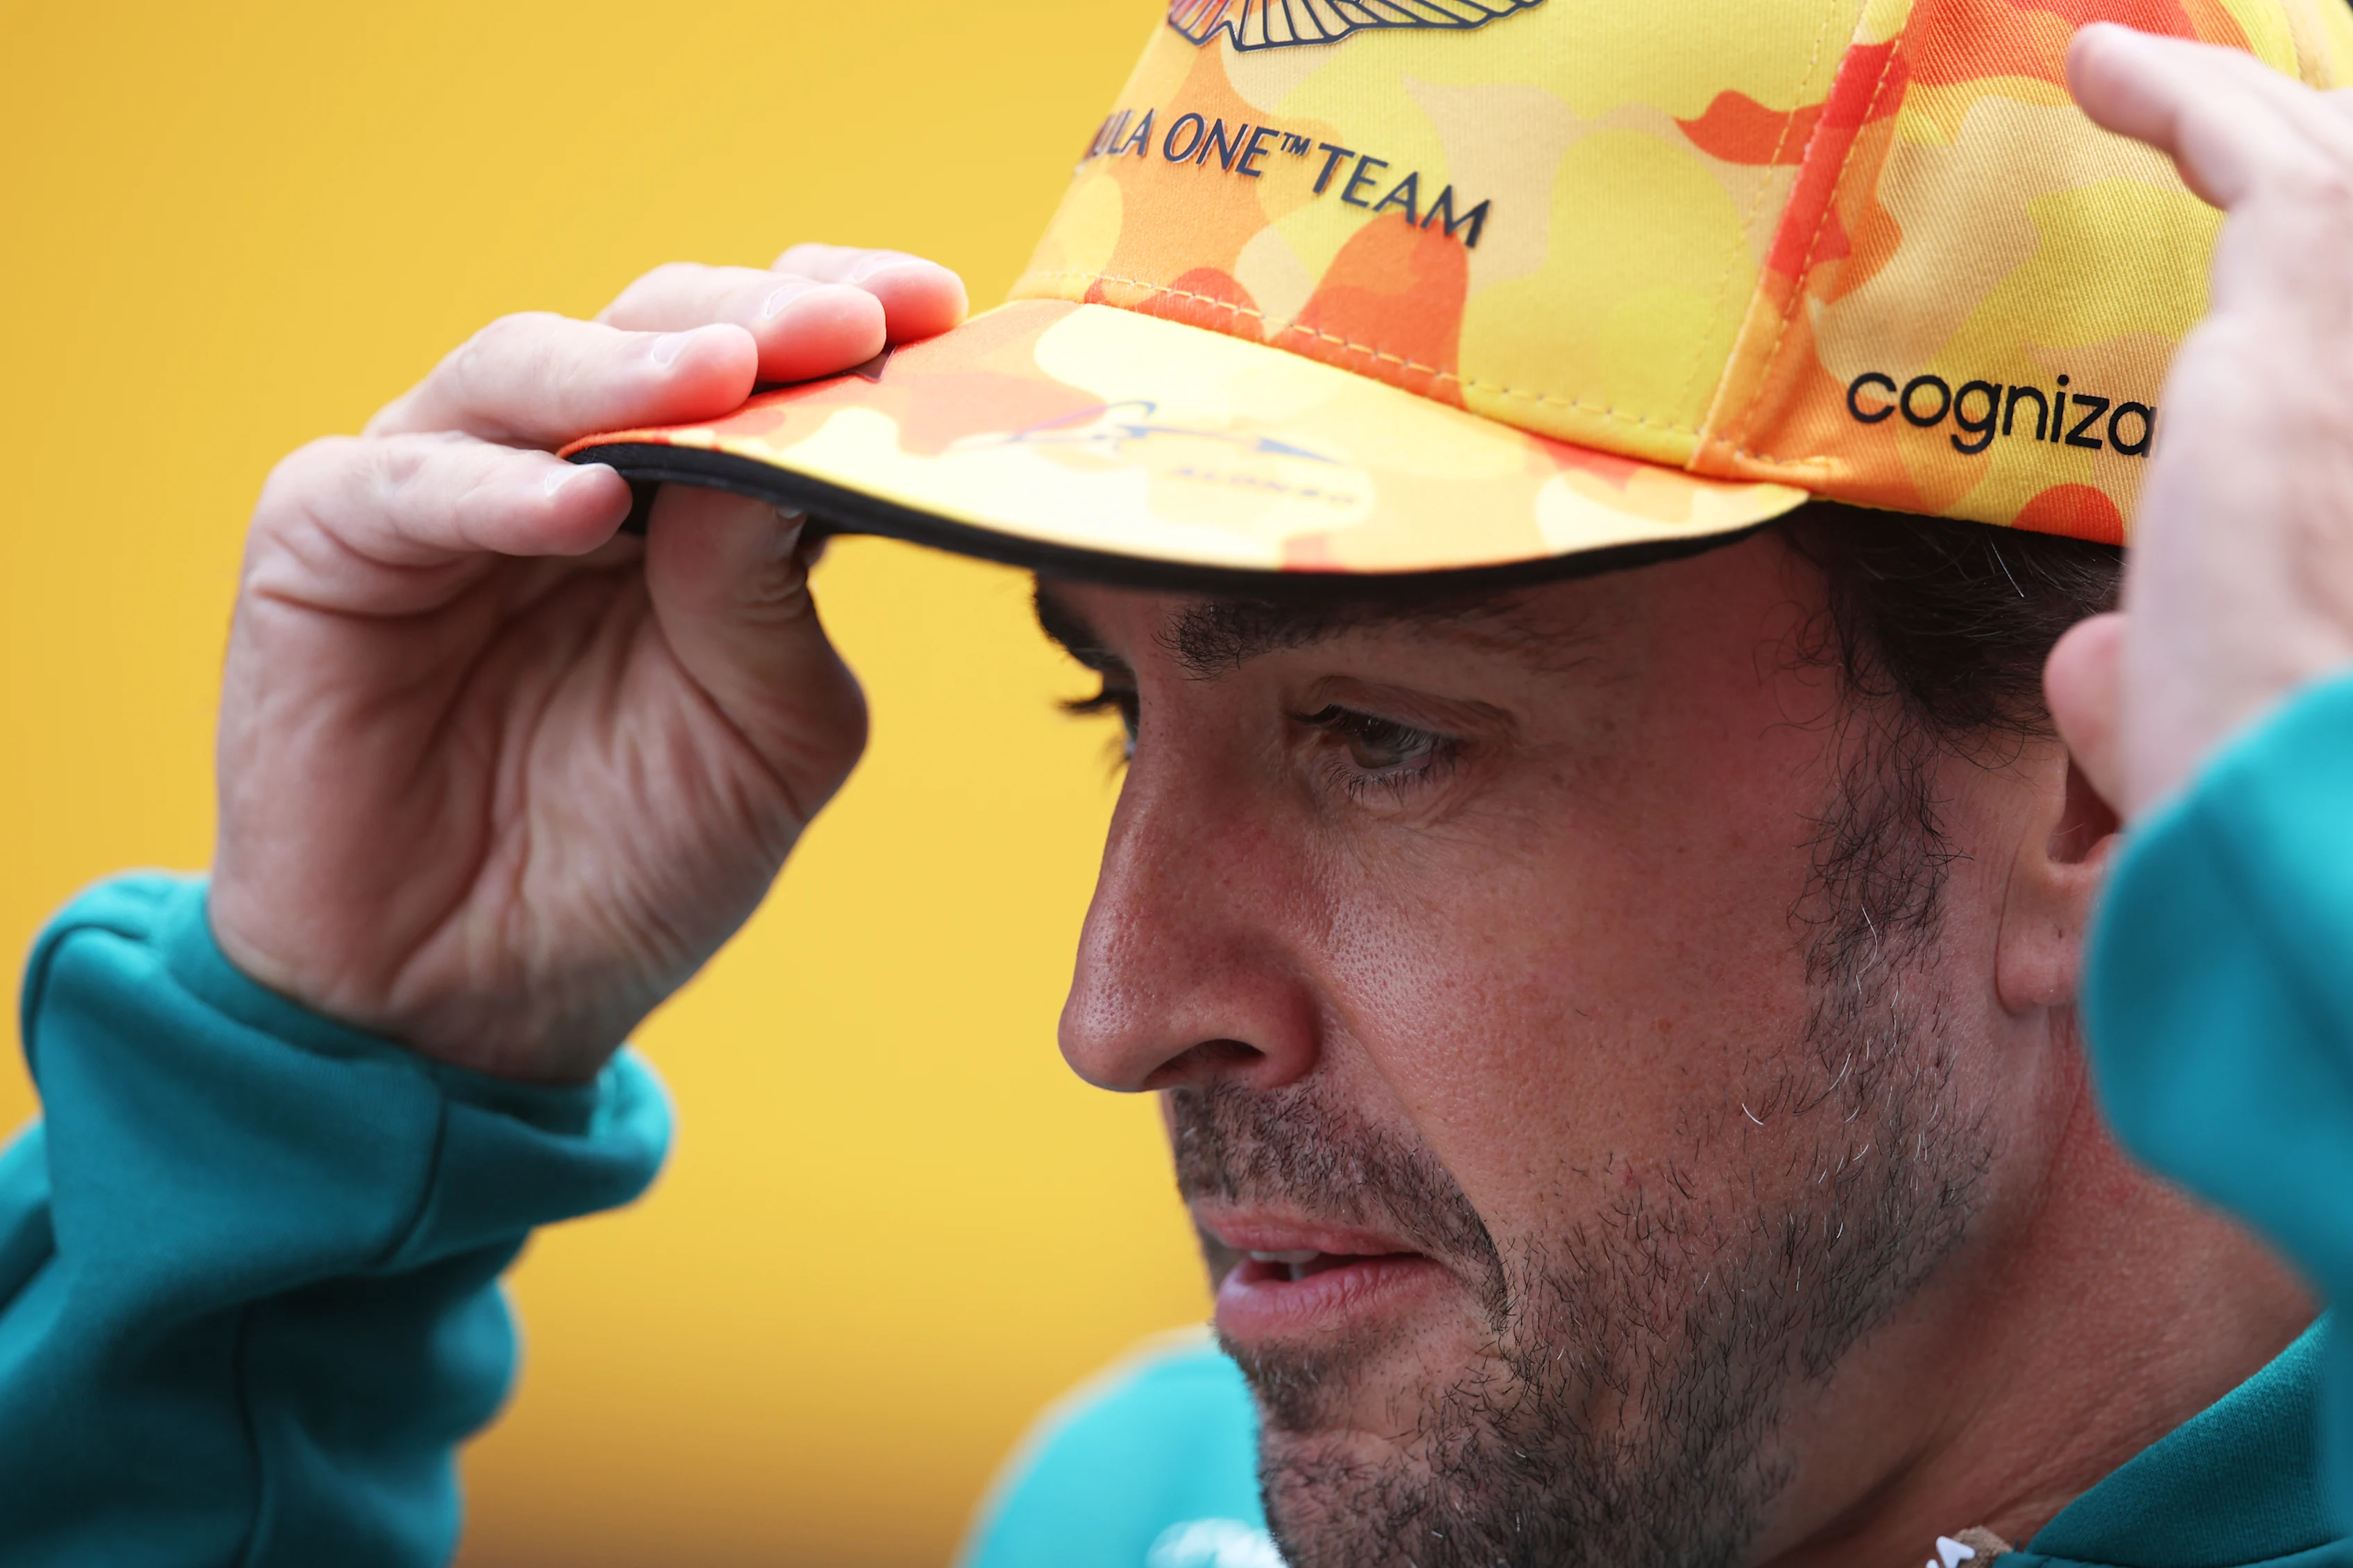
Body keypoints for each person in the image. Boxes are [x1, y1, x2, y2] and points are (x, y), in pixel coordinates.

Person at [4, 7, 2353, 1567]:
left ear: (2103, 770)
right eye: (1115, 706)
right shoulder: (1135, 1510)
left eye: (1382, 736)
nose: (1120, 1007)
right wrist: (312, 1116)